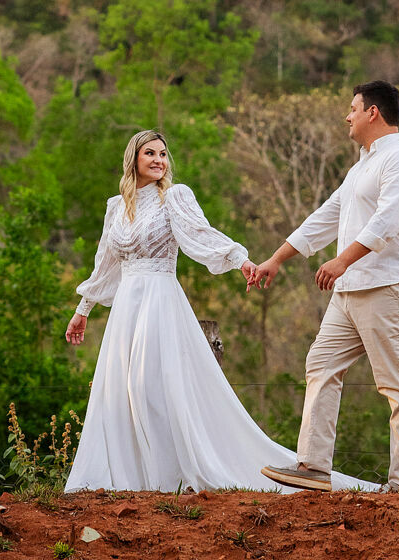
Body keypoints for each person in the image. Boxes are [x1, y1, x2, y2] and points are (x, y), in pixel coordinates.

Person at [63, 128, 375, 493]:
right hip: (126, 311)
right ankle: (132, 479)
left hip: (159, 300)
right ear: (133, 159)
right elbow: (105, 264)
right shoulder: (116, 207)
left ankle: (168, 479)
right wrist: (83, 309)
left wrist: (239, 259)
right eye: (150, 153)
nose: (159, 161)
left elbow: (201, 234)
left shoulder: (174, 197)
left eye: (163, 154)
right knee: (124, 390)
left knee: (150, 387)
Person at [250, 80, 399, 494]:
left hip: (390, 286)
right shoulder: (359, 168)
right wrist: (277, 258)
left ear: (373, 113)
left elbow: (387, 222)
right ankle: (313, 467)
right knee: (320, 364)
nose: (346, 116)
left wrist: (341, 259)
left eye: (352, 109)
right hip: (349, 292)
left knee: (398, 384)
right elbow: (324, 217)